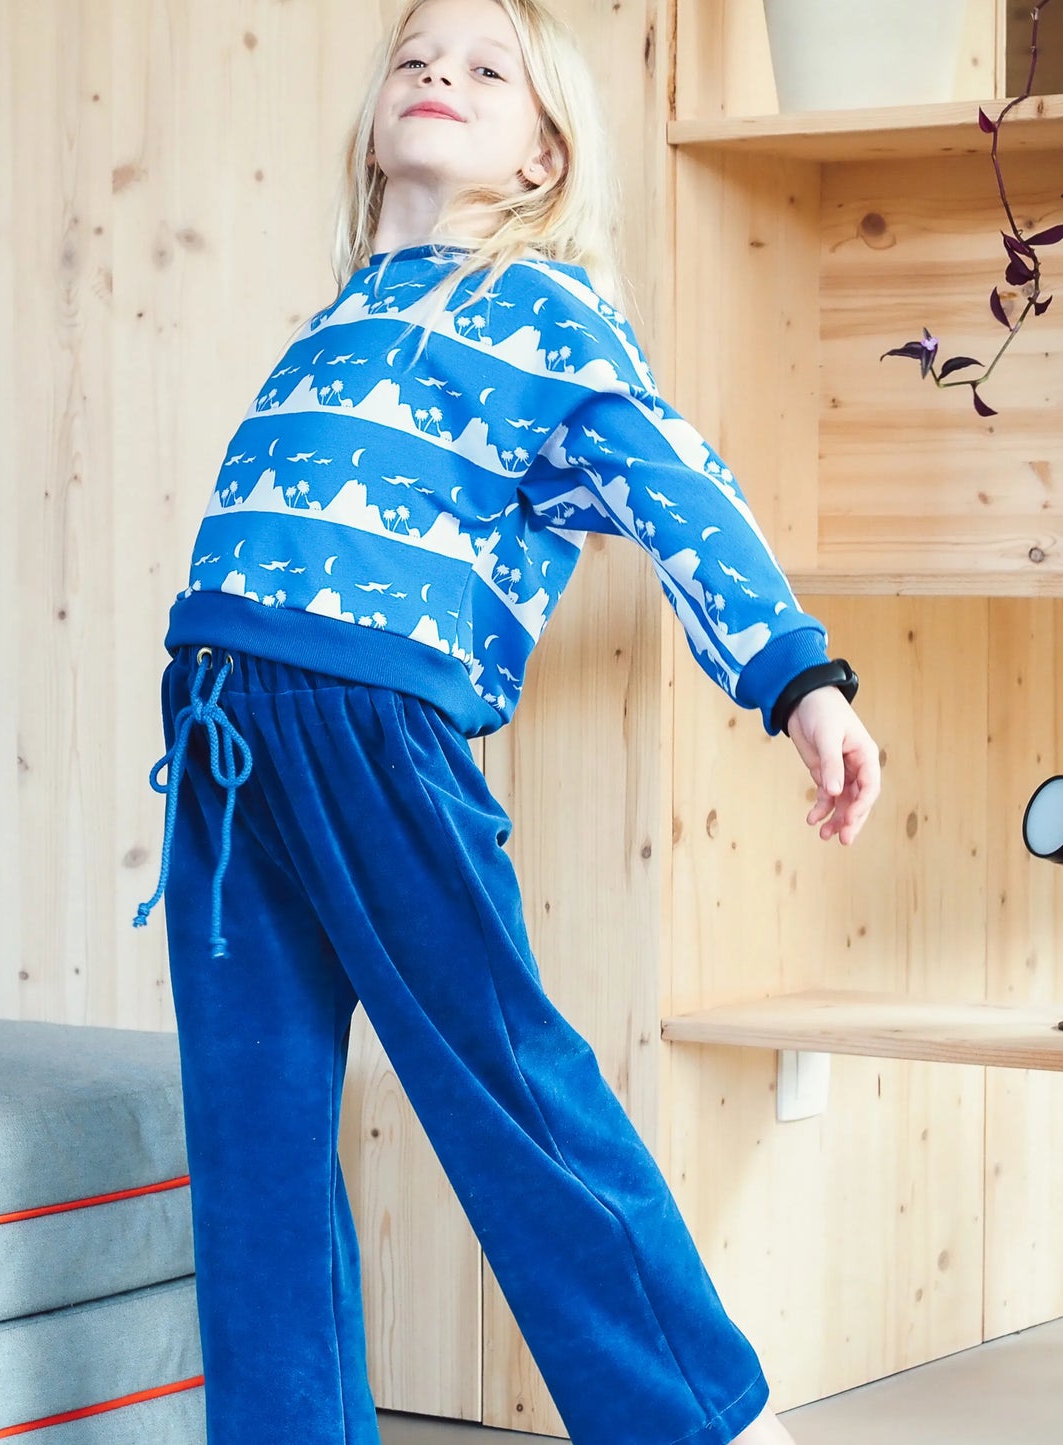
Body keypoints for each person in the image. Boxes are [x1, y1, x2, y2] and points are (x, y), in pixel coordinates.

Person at [132, 0, 882, 1441]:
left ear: (543, 156)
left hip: (375, 736)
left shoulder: (545, 312)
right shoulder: (337, 320)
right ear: (374, 125)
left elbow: (677, 491)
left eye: (486, 70)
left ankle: (702, 1420)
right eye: (415, 60)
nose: (438, 76)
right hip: (223, 747)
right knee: (251, 1141)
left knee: (508, 1093)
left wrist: (799, 680)